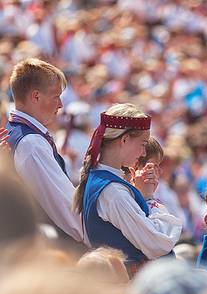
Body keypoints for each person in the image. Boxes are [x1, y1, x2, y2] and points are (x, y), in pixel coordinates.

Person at [73, 103, 182, 278]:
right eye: (142, 144)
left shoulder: (102, 180)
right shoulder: (112, 191)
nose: (143, 151)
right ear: (124, 140)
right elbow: (157, 244)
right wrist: (150, 200)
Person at [5, 58, 83, 243]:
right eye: (56, 96)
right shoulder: (32, 143)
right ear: (36, 96)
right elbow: (66, 208)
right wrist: (95, 237)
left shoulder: (22, 134)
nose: (60, 105)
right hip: (47, 250)